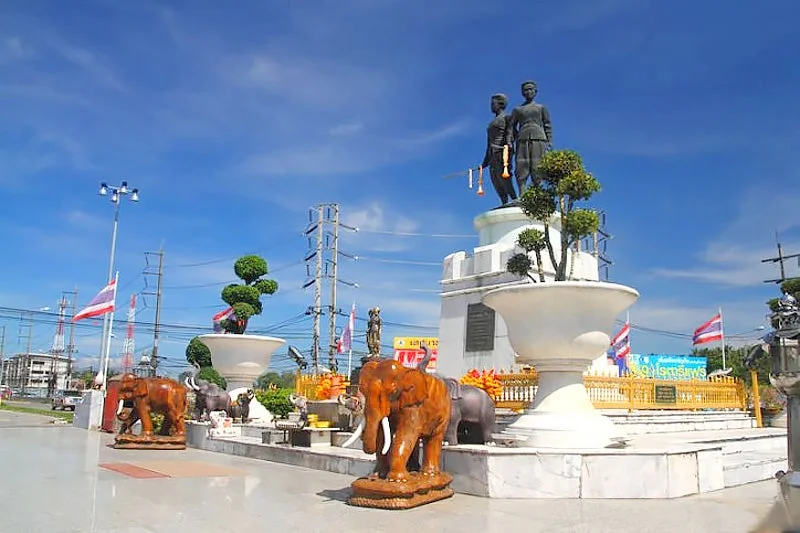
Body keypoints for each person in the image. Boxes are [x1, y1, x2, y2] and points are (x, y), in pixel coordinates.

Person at [508, 80, 553, 194]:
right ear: (522, 93)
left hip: (539, 139)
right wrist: (510, 140)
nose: (528, 92)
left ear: (535, 91)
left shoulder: (541, 108)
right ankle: (522, 194)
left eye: (530, 89)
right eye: (525, 90)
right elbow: (511, 126)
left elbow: (547, 125)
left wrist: (549, 142)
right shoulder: (517, 110)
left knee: (538, 165)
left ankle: (538, 194)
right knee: (521, 165)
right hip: (522, 139)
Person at [481, 93, 518, 206]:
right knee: (495, 179)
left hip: (503, 152)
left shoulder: (507, 117)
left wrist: (508, 145)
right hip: (492, 153)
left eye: (493, 104)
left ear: (500, 104)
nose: (491, 106)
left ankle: (514, 198)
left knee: (504, 176)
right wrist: (484, 162)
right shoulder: (491, 123)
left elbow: (513, 133)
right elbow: (488, 143)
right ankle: (504, 202)